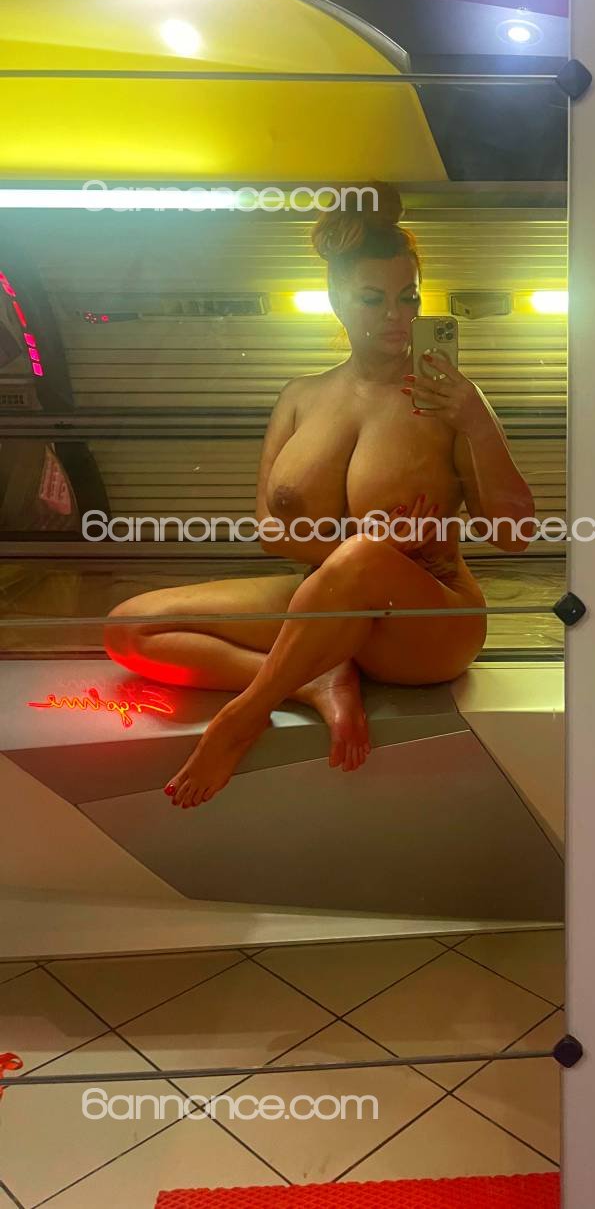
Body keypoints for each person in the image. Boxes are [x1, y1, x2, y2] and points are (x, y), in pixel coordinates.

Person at [104, 183, 535, 808]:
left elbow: (515, 537)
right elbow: (270, 530)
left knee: (363, 556)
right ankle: (315, 681)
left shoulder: (449, 401)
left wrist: (476, 423)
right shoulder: (300, 396)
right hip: (327, 603)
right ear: (335, 298)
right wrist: (359, 554)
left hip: (428, 621)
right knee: (130, 628)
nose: (397, 315)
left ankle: (245, 715)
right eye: (373, 298)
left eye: (409, 297)